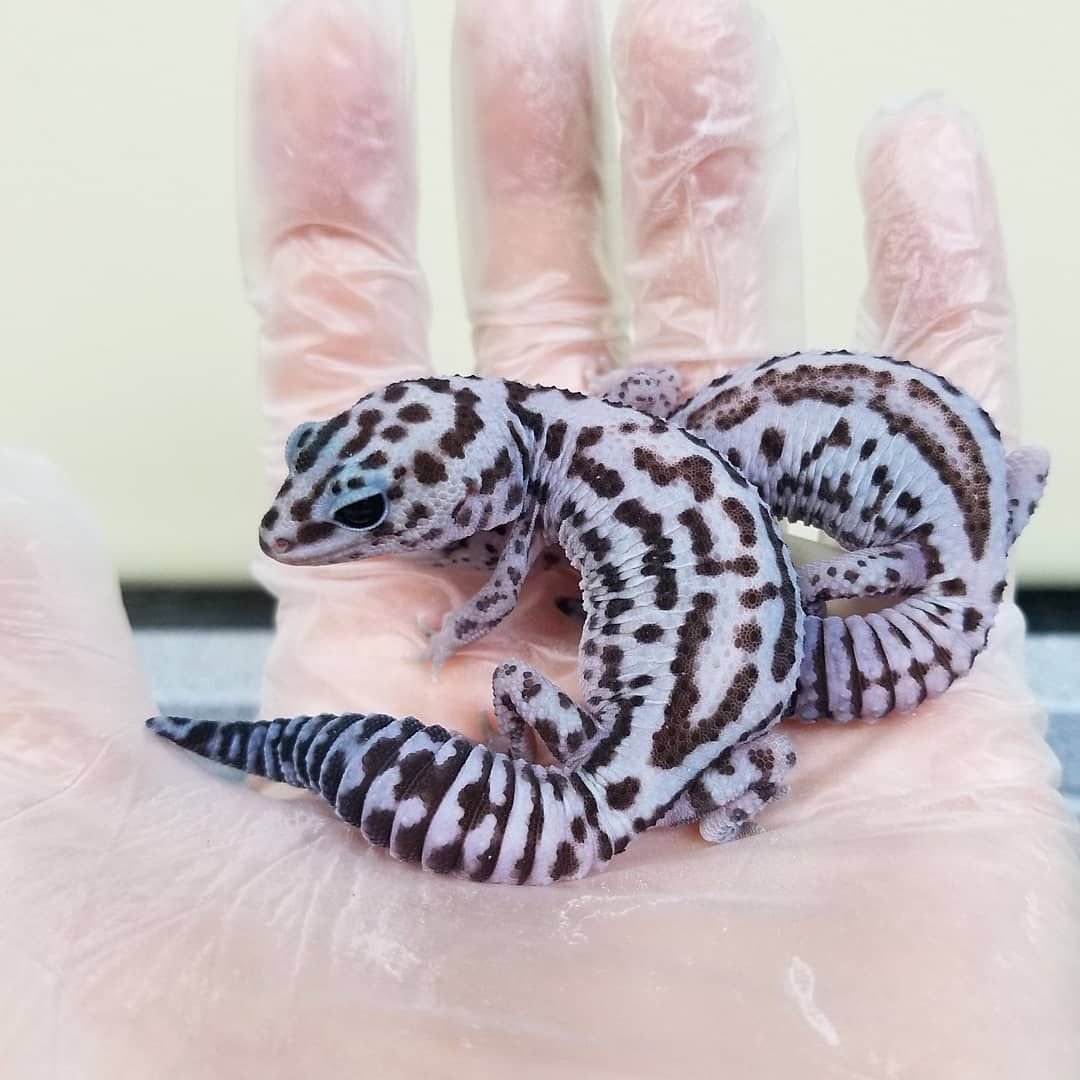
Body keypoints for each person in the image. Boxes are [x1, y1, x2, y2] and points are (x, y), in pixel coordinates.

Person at [2, 2, 1076, 1075]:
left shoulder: (573, 493)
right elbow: (623, 475)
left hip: (643, 758)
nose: (310, 527)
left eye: (368, 515)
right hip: (685, 759)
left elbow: (526, 594)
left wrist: (508, 659)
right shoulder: (616, 433)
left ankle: (372, 754)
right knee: (558, 692)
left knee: (528, 685)